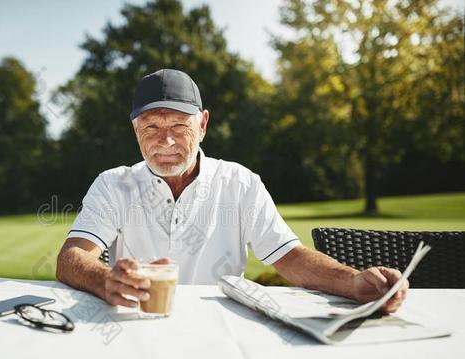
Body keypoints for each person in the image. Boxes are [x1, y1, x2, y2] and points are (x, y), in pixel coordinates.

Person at [57, 68, 408, 313]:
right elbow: (72, 258)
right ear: (135, 129)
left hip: (221, 331)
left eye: (180, 125)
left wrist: (354, 282)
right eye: (151, 127)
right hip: (138, 322)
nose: (165, 140)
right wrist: (106, 281)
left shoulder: (240, 182)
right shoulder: (112, 183)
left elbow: (289, 257)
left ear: (203, 124)